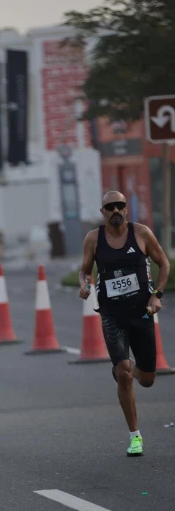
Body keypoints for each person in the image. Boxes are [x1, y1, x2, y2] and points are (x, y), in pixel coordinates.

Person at [79, 191, 170, 457]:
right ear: (102, 211)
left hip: (141, 312)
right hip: (112, 315)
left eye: (120, 206)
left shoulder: (141, 233)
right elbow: (85, 269)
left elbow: (164, 263)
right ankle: (135, 435)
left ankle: (132, 371)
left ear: (126, 209)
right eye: (110, 207)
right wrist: (84, 283)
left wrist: (158, 295)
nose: (115, 210)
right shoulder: (93, 239)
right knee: (123, 371)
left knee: (148, 380)